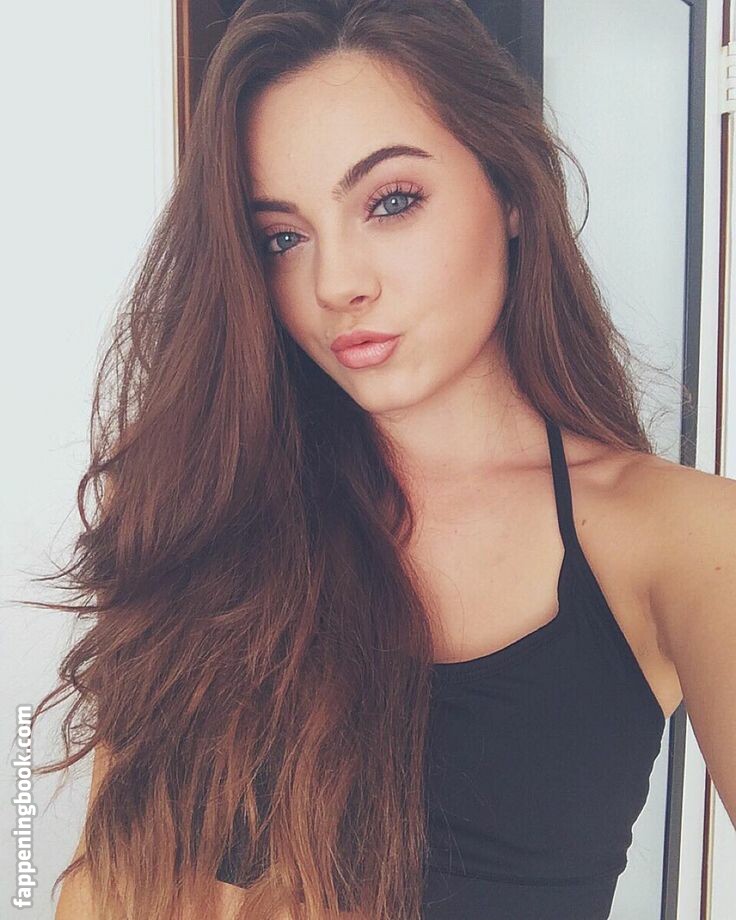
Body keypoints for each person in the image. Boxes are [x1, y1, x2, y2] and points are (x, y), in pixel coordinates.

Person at [39, 1, 735, 919]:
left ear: (512, 191)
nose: (336, 283)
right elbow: (102, 884)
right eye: (282, 237)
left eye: (391, 201)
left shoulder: (681, 537)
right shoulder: (198, 506)